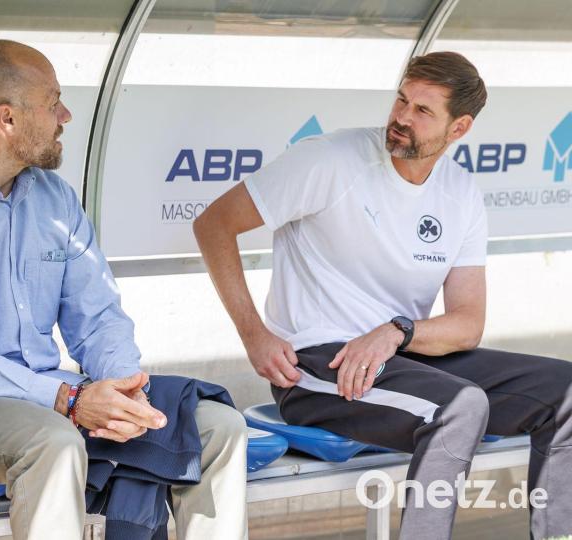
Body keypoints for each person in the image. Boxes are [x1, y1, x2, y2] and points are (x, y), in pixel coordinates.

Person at [194, 51, 572, 539]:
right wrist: (254, 334)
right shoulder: (329, 159)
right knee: (459, 407)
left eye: (422, 110)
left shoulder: (460, 192)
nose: (402, 117)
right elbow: (214, 224)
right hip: (317, 362)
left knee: (565, 392)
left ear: (458, 128)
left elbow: (467, 323)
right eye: (401, 100)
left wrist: (397, 332)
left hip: (404, 357)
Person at [0, 39, 249, 539]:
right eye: (53, 102)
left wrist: (124, 392)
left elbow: (97, 317)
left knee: (219, 428)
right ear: (7, 118)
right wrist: (68, 400)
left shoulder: (55, 197)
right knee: (54, 442)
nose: (66, 116)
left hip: (52, 394)